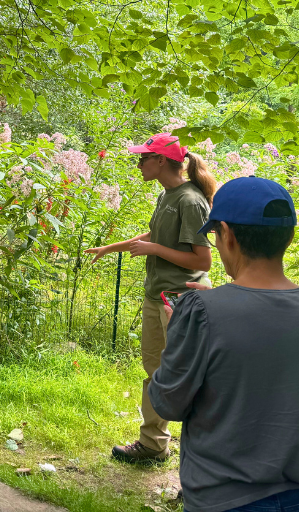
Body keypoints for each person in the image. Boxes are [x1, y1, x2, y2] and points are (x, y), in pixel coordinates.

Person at [149, 177, 299, 512]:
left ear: (226, 234)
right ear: (290, 236)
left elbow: (168, 403)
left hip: (225, 499)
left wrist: (182, 330)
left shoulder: (201, 312)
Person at [88, 132, 217, 464]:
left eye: (143, 158)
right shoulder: (168, 196)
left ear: (161, 160)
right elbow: (155, 236)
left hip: (180, 302)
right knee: (156, 373)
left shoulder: (190, 201)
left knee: (186, 376)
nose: (139, 163)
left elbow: (203, 261)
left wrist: (154, 250)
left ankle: (201, 455)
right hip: (156, 297)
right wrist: (111, 248)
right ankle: (153, 445)